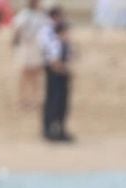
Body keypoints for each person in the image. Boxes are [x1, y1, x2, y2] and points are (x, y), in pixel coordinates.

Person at [39, 6, 73, 142]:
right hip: (54, 72)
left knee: (62, 103)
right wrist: (59, 67)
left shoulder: (64, 40)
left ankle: (60, 129)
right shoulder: (50, 36)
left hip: (62, 72)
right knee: (53, 100)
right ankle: (49, 129)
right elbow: (52, 58)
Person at [11, 0, 47, 110]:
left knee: (35, 74)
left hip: (35, 47)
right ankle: (23, 100)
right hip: (26, 46)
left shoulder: (39, 15)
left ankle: (34, 100)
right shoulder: (25, 15)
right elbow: (17, 30)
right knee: (26, 74)